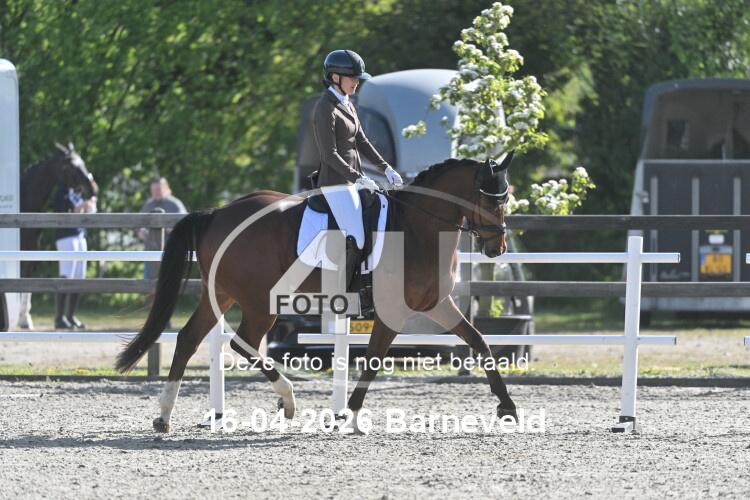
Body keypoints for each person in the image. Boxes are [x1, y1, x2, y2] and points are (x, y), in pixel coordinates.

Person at [311, 49, 404, 309]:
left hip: (352, 181)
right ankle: (343, 292)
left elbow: (361, 141)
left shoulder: (347, 103)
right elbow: (329, 155)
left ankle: (369, 282)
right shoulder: (325, 107)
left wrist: (385, 168)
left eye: (357, 78)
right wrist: (358, 177)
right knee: (357, 236)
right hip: (336, 184)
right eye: (352, 78)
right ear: (335, 77)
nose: (356, 82)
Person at [54, 185, 96, 329]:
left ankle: (70, 316)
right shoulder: (62, 192)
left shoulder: (78, 193)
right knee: (66, 275)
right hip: (66, 236)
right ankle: (59, 317)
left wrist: (90, 204)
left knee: (79, 276)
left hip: (80, 235)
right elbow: (64, 215)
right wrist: (82, 207)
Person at [138, 177, 187, 279]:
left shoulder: (175, 205)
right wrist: (141, 231)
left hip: (171, 252)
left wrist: (171, 230)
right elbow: (140, 225)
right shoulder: (148, 205)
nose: (156, 192)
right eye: (153, 190)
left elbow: (185, 226)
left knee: (170, 281)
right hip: (151, 253)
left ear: (166, 189)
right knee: (149, 282)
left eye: (158, 189)